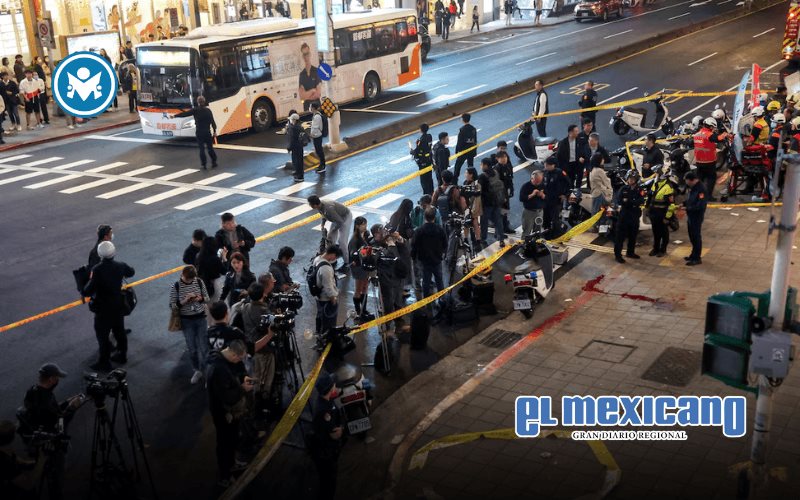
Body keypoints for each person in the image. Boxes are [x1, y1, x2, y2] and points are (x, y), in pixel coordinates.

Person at [19, 364, 83, 500]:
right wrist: (72, 408)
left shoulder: (33, 391)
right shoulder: (46, 401)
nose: (58, 381)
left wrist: (66, 402)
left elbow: (52, 411)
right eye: (57, 378)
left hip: (33, 435)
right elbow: (59, 423)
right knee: (57, 474)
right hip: (49, 442)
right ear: (51, 379)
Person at [207, 340, 253, 488]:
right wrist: (242, 389)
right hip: (223, 412)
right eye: (239, 358)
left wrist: (243, 377)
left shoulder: (225, 358)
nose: (240, 362)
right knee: (224, 443)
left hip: (231, 412)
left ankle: (232, 463)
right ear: (233, 354)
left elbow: (237, 371)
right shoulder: (218, 369)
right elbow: (227, 397)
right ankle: (224, 476)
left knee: (232, 437)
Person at [82, 241, 134, 371]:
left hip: (103, 309)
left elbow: (88, 291)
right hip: (118, 305)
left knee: (102, 336)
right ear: (114, 252)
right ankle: (122, 355)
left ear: (100, 254)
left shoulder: (97, 270)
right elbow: (131, 272)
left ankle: (104, 362)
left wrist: (83, 286)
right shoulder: (120, 266)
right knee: (120, 331)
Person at [170, 266, 211, 384]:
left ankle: (208, 371)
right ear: (182, 274)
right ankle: (197, 370)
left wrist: (199, 299)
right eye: (187, 279)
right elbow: (172, 305)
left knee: (204, 348)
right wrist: (184, 301)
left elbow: (207, 298)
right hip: (186, 321)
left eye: (191, 280)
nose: (189, 282)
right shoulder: (176, 286)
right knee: (192, 349)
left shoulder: (198, 281)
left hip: (201, 318)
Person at [309, 372, 344, 500]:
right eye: (333, 384)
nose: (335, 385)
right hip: (324, 452)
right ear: (330, 389)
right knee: (328, 482)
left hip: (325, 448)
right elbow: (335, 435)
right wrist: (342, 430)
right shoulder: (324, 411)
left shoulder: (324, 398)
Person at [369, 225, 407, 321]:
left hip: (398, 276)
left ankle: (399, 322)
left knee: (398, 301)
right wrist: (391, 244)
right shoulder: (374, 246)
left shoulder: (388, 240)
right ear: (376, 234)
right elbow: (391, 258)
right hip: (387, 280)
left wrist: (399, 238)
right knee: (388, 303)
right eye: (381, 231)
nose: (384, 233)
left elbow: (404, 251)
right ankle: (388, 326)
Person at [308, 196, 353, 271]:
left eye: (310, 204)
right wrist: (322, 224)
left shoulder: (329, 208)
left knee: (342, 241)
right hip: (336, 219)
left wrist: (334, 230)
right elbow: (323, 215)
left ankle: (347, 263)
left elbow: (340, 222)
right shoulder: (320, 206)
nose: (310, 205)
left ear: (314, 204)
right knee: (330, 238)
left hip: (344, 217)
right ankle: (332, 258)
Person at [172, 96, 218, 169]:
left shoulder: (195, 110)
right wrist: (215, 131)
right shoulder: (208, 111)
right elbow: (212, 122)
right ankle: (214, 162)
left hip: (199, 132)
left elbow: (185, 114)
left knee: (202, 149)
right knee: (210, 148)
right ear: (204, 101)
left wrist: (175, 116)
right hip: (207, 132)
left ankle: (204, 164)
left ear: (198, 102)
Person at [413, 207, 448, 298]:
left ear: (424, 217)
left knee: (426, 281)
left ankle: (426, 299)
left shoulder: (419, 230)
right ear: (434, 217)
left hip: (424, 259)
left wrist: (414, 256)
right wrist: (443, 253)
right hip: (437, 259)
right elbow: (445, 243)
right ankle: (442, 298)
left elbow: (415, 245)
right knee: (439, 279)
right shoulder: (439, 229)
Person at [693, 117, 728, 200]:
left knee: (699, 179)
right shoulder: (709, 135)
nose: (713, 129)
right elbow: (718, 138)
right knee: (711, 178)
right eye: (713, 127)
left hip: (698, 161)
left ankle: (698, 195)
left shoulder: (697, 134)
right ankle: (708, 196)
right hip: (709, 161)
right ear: (710, 126)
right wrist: (725, 134)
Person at [348, 217, 375, 322]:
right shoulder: (354, 240)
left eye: (365, 223)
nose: (365, 226)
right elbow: (353, 254)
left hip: (364, 265)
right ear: (357, 226)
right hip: (358, 267)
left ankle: (363, 309)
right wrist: (364, 253)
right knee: (358, 289)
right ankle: (358, 312)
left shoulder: (365, 235)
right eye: (363, 224)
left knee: (364, 288)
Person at [613, 170, 644, 263]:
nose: (630, 180)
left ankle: (630, 252)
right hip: (624, 216)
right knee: (620, 237)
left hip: (634, 216)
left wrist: (628, 202)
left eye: (633, 178)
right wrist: (631, 203)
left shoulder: (640, 190)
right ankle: (618, 255)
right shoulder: (623, 189)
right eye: (629, 178)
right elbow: (619, 200)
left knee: (633, 236)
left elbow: (641, 201)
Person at [313, 245, 341, 339]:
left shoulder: (317, 259)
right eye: (335, 257)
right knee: (328, 324)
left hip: (318, 297)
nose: (335, 259)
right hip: (326, 300)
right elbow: (328, 288)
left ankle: (319, 335)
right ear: (332, 254)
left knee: (320, 317)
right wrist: (333, 300)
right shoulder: (326, 269)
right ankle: (325, 341)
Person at [477, 157, 506, 247]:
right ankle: (501, 239)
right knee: (498, 220)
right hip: (497, 200)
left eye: (481, 164)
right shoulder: (495, 172)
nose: (481, 166)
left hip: (487, 203)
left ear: (485, 165)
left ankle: (483, 239)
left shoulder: (482, 176)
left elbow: (479, 190)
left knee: (484, 222)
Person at [647, 169, 675, 258]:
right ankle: (655, 248)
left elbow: (671, 205)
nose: (656, 175)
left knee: (664, 232)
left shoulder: (668, 187)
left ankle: (663, 250)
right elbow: (650, 197)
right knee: (655, 232)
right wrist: (648, 209)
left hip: (662, 214)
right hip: (654, 213)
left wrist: (667, 218)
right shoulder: (655, 184)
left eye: (658, 174)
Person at [682, 171, 707, 266]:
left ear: (691, 180)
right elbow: (690, 199)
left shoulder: (701, 189)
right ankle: (693, 254)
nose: (686, 183)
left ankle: (697, 258)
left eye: (687, 181)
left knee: (696, 236)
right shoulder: (692, 187)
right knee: (691, 235)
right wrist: (684, 203)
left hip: (696, 216)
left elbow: (700, 205)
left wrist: (687, 208)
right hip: (691, 215)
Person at [542, 157, 571, 238]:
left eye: (547, 165)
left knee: (555, 219)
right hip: (546, 199)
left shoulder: (560, 173)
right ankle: (547, 233)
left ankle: (558, 234)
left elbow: (568, 184)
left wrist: (565, 194)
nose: (546, 167)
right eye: (545, 165)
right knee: (546, 217)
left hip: (556, 200)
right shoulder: (544, 172)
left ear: (553, 165)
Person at [557, 124, 587, 190]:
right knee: (570, 180)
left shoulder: (579, 140)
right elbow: (559, 156)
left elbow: (583, 151)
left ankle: (578, 189)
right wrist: (562, 167)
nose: (578, 133)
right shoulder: (563, 143)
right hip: (568, 165)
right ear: (570, 132)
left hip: (577, 163)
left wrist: (581, 157)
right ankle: (571, 191)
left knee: (579, 177)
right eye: (576, 131)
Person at [519, 170, 546, 236]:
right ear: (532, 178)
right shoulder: (525, 186)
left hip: (540, 212)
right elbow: (521, 198)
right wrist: (531, 195)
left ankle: (535, 243)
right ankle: (524, 245)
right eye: (536, 181)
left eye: (540, 181)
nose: (538, 183)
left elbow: (548, 197)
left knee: (538, 230)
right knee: (527, 230)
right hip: (529, 212)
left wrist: (543, 195)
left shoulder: (542, 185)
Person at [589, 153, 613, 226]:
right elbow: (606, 182)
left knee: (595, 212)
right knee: (602, 213)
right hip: (601, 194)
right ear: (598, 160)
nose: (603, 160)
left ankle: (595, 226)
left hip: (595, 193)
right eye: (602, 158)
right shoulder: (599, 170)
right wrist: (609, 190)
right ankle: (600, 227)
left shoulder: (593, 170)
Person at [453, 113, 477, 182]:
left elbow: (459, 142)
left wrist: (457, 151)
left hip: (463, 151)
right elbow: (475, 141)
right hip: (471, 150)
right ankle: (472, 180)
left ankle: (455, 180)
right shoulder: (473, 129)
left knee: (458, 165)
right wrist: (474, 150)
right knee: (470, 165)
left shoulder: (462, 129)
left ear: (463, 120)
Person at [411, 123, 434, 195]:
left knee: (424, 179)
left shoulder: (421, 140)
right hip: (429, 159)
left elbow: (418, 151)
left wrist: (412, 151)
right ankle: (432, 192)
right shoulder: (429, 136)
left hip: (423, 161)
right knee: (429, 177)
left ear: (421, 130)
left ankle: (426, 194)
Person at [298, 42, 321, 111]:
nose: (306, 56)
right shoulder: (302, 75)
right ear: (302, 56)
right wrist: (313, 90)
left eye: (307, 53)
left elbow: (318, 94)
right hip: (307, 108)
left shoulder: (316, 71)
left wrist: (306, 95)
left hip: (317, 106)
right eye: (304, 54)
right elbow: (301, 96)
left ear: (310, 54)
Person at [309, 102, 328, 174]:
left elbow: (315, 127)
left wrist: (311, 135)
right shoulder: (316, 115)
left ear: (313, 108)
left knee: (319, 151)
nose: (310, 108)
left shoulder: (317, 116)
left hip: (317, 136)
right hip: (316, 135)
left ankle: (323, 166)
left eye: (310, 107)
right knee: (318, 150)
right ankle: (321, 165)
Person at [287, 113, 305, 183]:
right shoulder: (300, 127)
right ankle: (301, 175)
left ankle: (298, 176)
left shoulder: (292, 128)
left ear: (294, 120)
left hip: (295, 147)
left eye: (291, 120)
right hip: (300, 147)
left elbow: (291, 140)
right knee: (300, 161)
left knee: (296, 162)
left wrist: (289, 148)